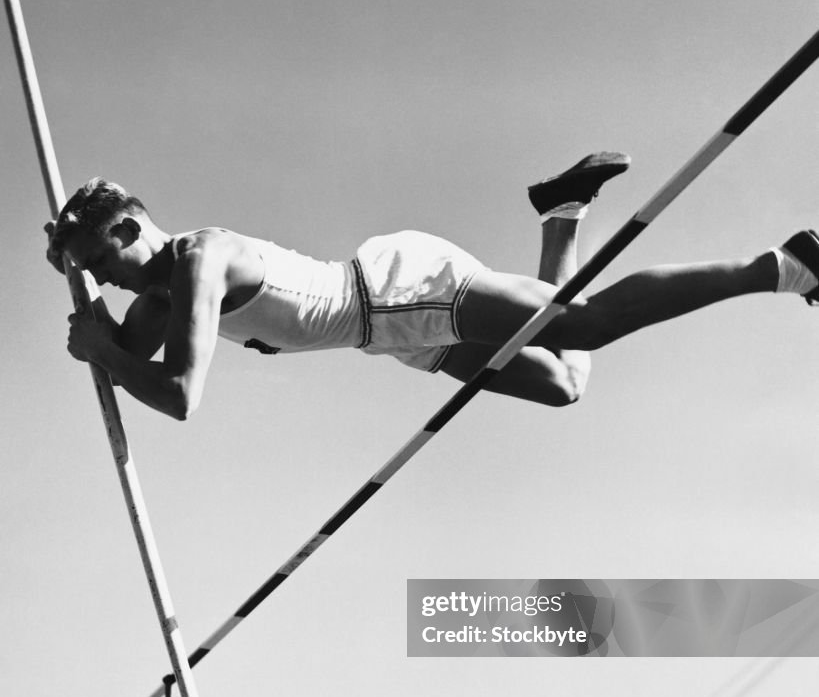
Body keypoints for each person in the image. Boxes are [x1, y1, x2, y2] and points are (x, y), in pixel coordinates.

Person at [45, 153, 819, 421]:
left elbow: (176, 393)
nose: (99, 278)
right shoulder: (151, 302)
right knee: (561, 386)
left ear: (123, 228)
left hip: (393, 291)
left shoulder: (196, 260)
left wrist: (105, 355)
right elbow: (117, 353)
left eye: (95, 260)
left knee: (581, 325)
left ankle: (786, 264)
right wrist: (93, 333)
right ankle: (560, 215)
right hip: (389, 337)